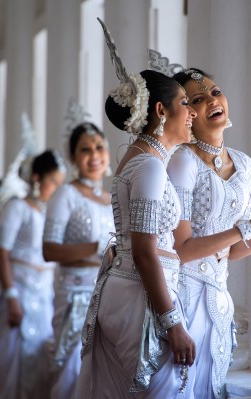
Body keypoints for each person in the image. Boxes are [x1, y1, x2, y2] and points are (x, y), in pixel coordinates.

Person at [162, 64, 251, 398]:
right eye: (197, 99)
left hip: (219, 301)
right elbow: (181, 250)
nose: (212, 100)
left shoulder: (244, 165)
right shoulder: (183, 161)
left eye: (215, 92)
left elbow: (234, 249)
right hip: (183, 298)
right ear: (187, 114)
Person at [75, 19, 197, 398]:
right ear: (161, 111)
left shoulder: (142, 160)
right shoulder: (148, 166)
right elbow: (145, 252)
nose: (192, 112)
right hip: (139, 297)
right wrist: (172, 322)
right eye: (185, 104)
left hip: (131, 289)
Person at [0, 150, 66, 399]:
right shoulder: (17, 208)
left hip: (43, 296)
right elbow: (1, 253)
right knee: (8, 364)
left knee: (38, 363)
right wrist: (11, 296)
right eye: (53, 182)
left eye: (61, 184)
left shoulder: (52, 213)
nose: (57, 189)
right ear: (37, 178)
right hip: (17, 291)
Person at [43, 121, 114, 399]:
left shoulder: (110, 198)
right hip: (74, 294)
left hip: (109, 294)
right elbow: (49, 250)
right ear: (73, 157)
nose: (94, 155)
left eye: (99, 147)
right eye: (85, 149)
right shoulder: (66, 194)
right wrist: (96, 247)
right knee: (71, 369)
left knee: (104, 372)